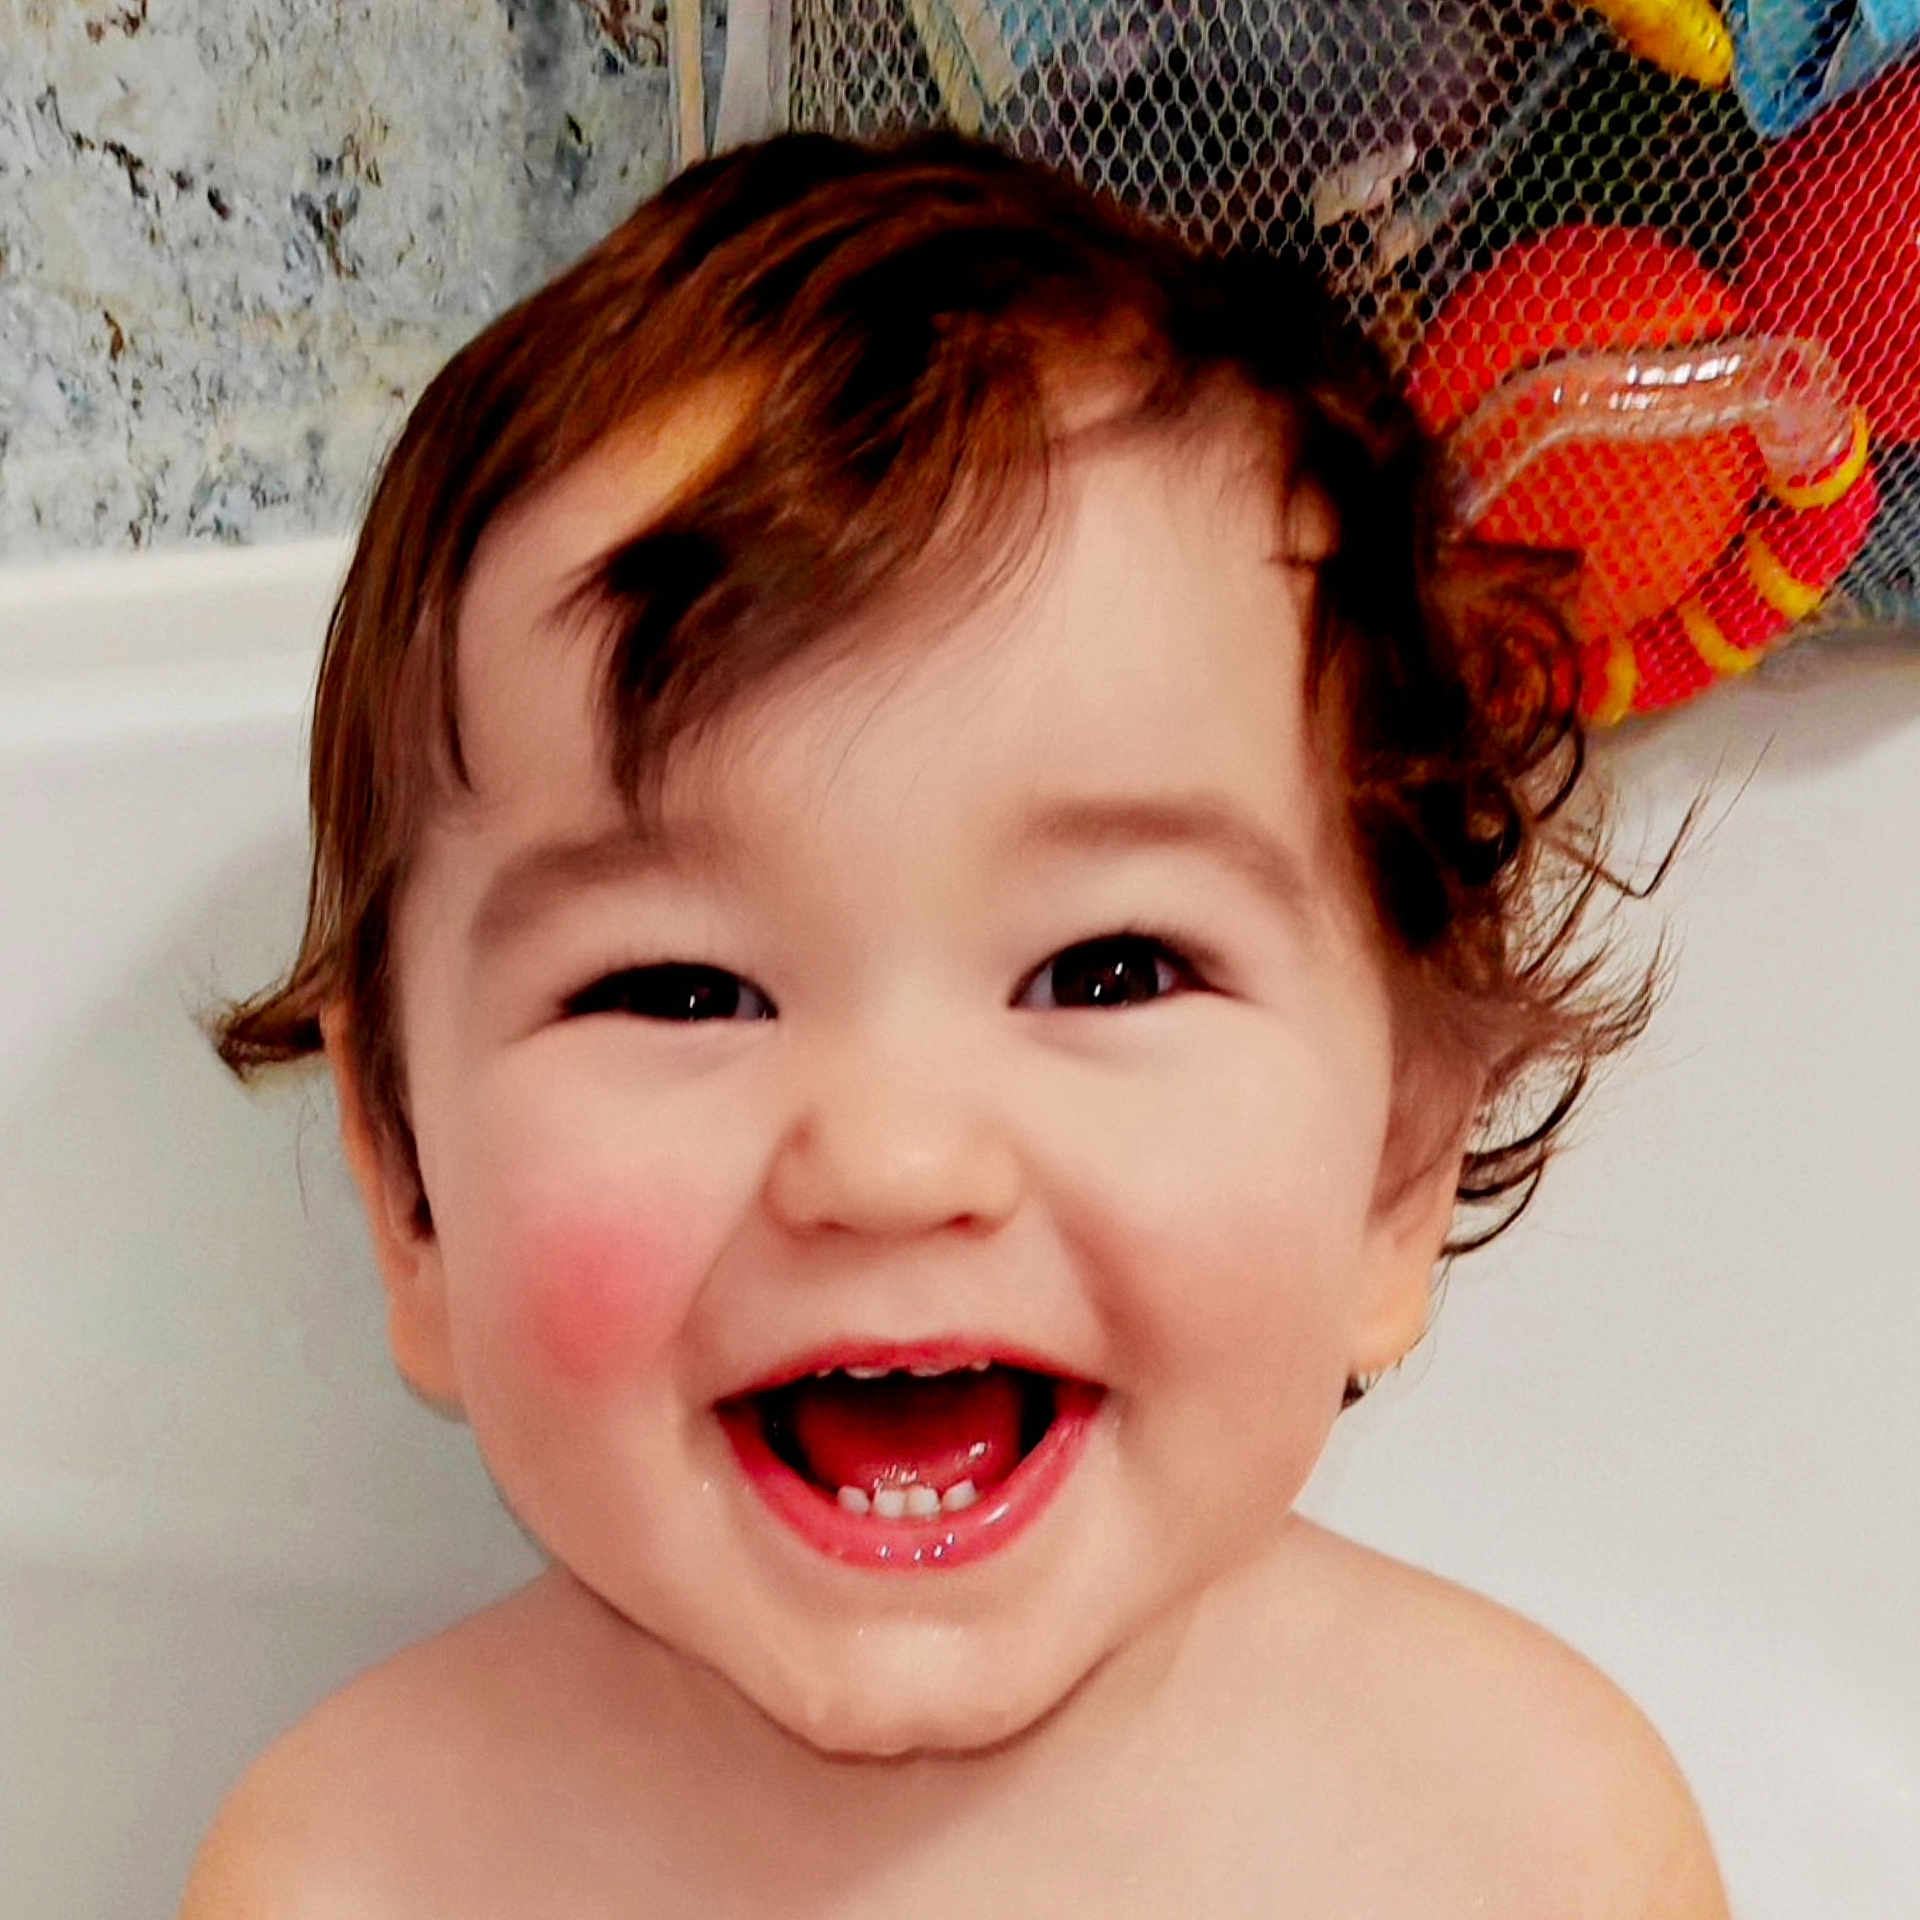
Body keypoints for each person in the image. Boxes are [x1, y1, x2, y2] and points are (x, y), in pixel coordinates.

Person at [181, 131, 1727, 1915]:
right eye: (678, 987)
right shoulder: (356, 1876)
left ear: (1396, 1164)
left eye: (1109, 968)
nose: (894, 1162)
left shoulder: (1524, 1843)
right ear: (415, 1202)